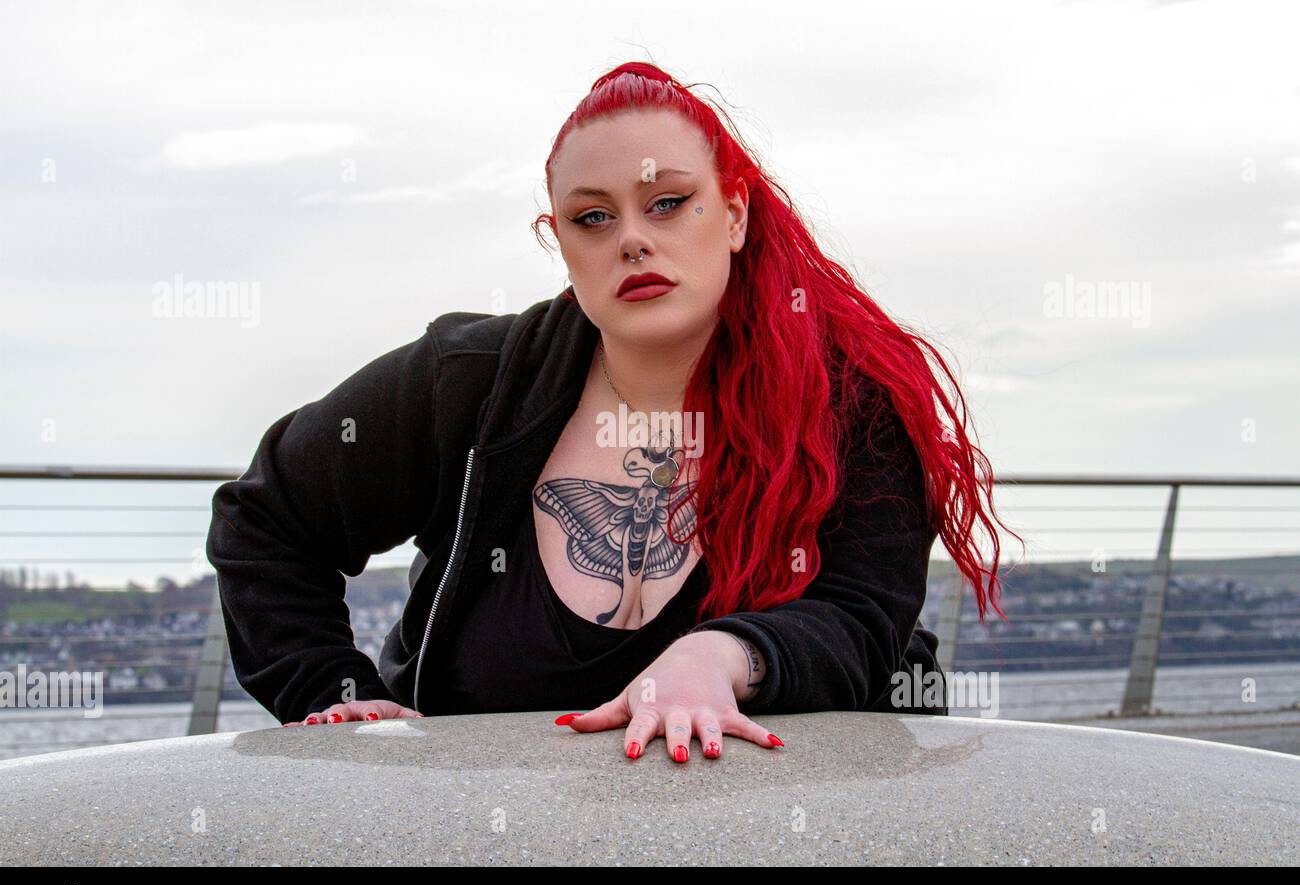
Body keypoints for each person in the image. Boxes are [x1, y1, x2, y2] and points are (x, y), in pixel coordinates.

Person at [206, 61, 1021, 763]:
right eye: (593, 217)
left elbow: (862, 618)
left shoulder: (852, 399)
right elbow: (268, 518)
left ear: (734, 214)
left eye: (667, 202)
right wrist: (338, 695)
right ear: (558, 239)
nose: (631, 239)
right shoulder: (468, 383)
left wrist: (726, 654)